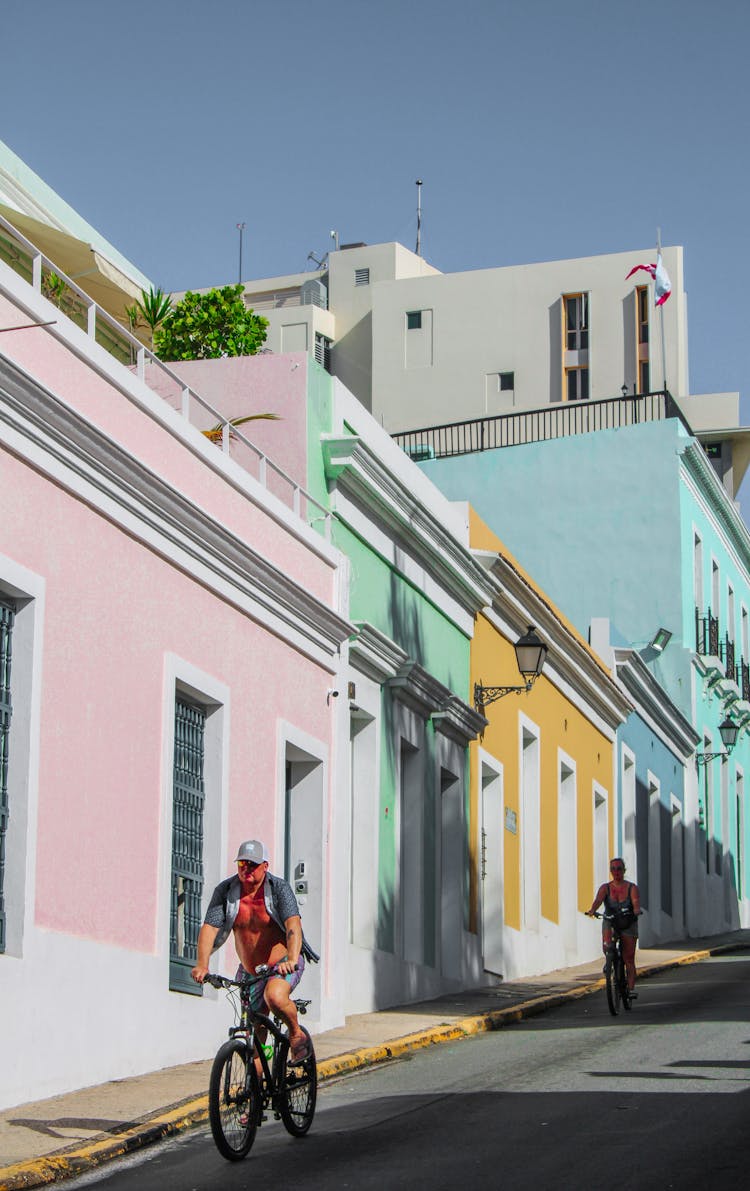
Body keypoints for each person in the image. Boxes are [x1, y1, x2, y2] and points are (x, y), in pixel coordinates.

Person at [191, 839, 319, 1061]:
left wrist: (292, 958)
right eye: (242, 864)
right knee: (254, 1041)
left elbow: (293, 926)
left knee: (276, 998)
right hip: (251, 972)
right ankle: (254, 1092)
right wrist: (202, 964)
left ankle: (297, 1035)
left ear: (265, 866)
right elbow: (210, 928)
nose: (246, 869)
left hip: (282, 965)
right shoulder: (226, 891)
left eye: (253, 864)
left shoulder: (279, 889)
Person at [586, 857, 641, 995]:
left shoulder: (631, 888)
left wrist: (636, 910)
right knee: (607, 946)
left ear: (624, 870)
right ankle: (610, 961)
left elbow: (635, 902)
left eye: (619, 869)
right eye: (613, 869)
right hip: (611, 920)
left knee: (628, 957)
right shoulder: (606, 888)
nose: (616, 872)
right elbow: (598, 900)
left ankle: (630, 989)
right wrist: (592, 910)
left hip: (628, 921)